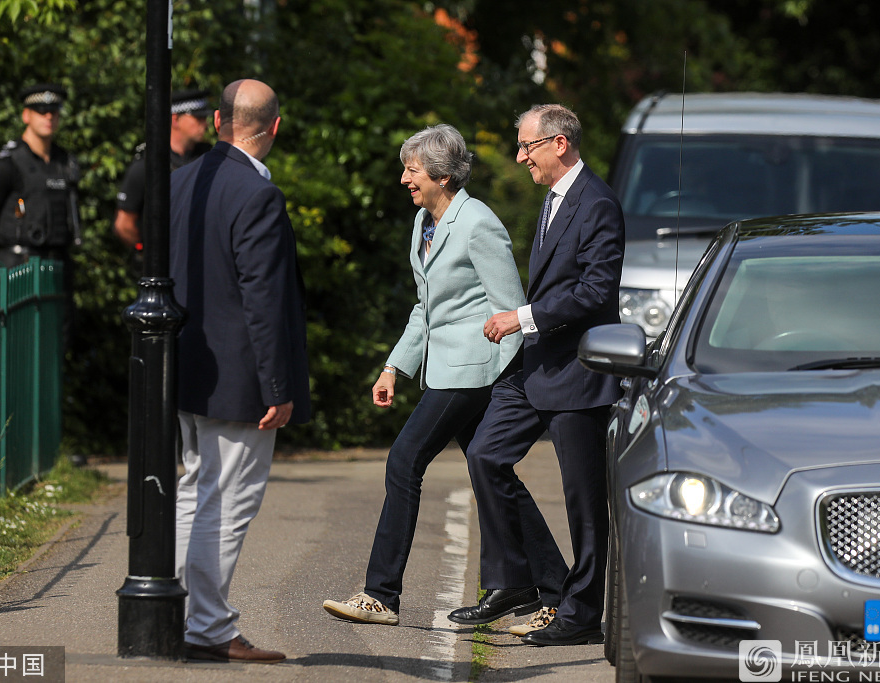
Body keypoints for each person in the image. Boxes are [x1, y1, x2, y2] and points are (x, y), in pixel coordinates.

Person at [322, 124, 569, 634]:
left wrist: (505, 389)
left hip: (477, 370)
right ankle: (556, 589)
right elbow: (426, 307)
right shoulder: (424, 223)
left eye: (412, 171)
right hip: (445, 368)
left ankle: (380, 593)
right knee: (494, 475)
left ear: (440, 174)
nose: (405, 179)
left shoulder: (478, 223)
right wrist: (395, 365)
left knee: (404, 459)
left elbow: (509, 307)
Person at [449, 104, 625, 646]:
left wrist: (522, 319)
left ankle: (580, 615)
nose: (520, 156)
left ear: (559, 144)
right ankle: (521, 581)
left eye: (527, 146)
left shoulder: (597, 204)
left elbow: (596, 292)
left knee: (584, 503)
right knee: (485, 453)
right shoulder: (554, 201)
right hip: (536, 366)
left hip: (577, 373)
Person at [169, 79, 310, 663]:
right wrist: (277, 386)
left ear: (222, 119)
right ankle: (205, 627)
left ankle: (175, 614)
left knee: (193, 494)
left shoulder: (181, 180)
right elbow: (263, 299)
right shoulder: (257, 195)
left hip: (189, 367)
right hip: (239, 379)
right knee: (227, 502)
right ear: (273, 126)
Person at [0, 83, 81, 269]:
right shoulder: (6, 164)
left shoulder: (65, 163)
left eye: (54, 111)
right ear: (26, 115)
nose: (48, 116)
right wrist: (1, 262)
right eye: (41, 110)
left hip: (58, 268)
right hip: (18, 270)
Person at [114, 88, 213, 252]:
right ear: (175, 120)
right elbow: (124, 223)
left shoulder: (208, 158)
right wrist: (146, 253)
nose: (205, 123)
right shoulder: (148, 164)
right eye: (198, 117)